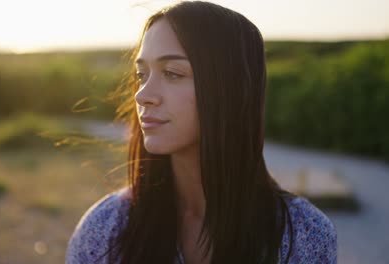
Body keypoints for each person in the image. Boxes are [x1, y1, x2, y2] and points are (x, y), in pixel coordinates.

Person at [66, 1, 337, 263]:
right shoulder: (105, 227)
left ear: (232, 89)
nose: (142, 94)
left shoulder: (303, 235)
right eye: (141, 74)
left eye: (172, 73)